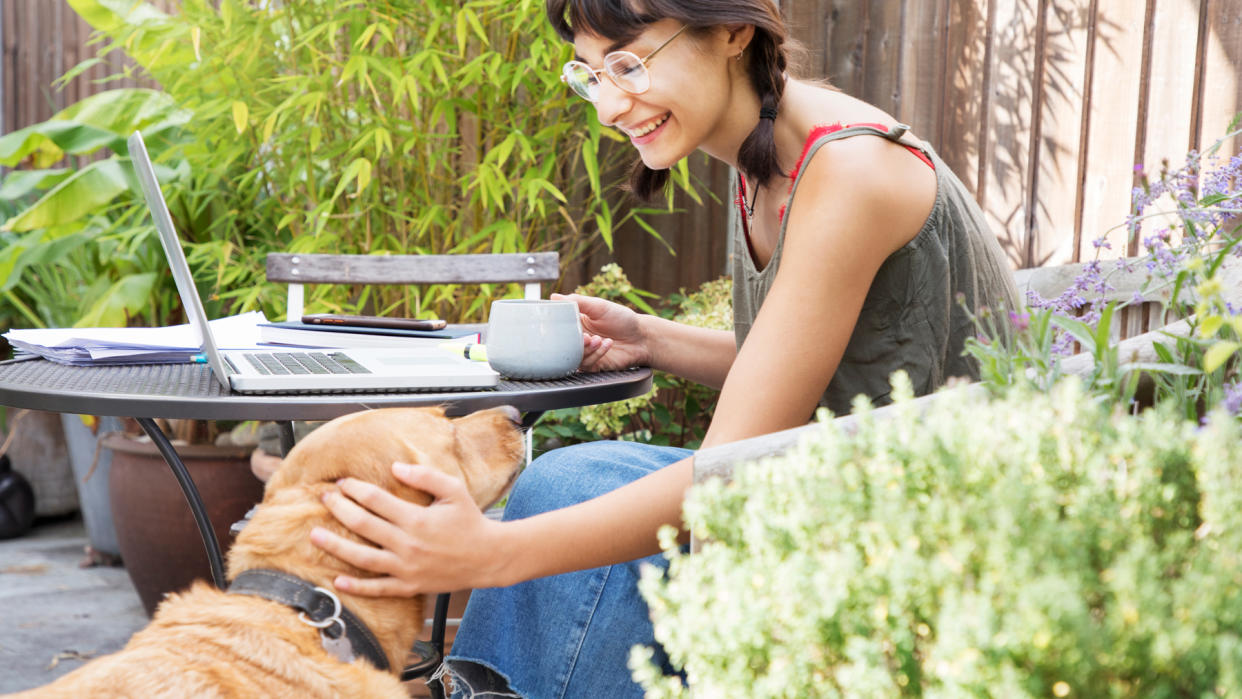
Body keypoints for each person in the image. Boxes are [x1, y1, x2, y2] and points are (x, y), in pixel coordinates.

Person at [308, 0, 1020, 696]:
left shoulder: (849, 173)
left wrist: (493, 553)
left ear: (735, 27)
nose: (610, 107)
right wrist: (648, 337)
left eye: (628, 64)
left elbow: (727, 475)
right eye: (590, 73)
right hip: (850, 470)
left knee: (581, 498)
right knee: (569, 478)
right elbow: (812, 364)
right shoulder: (775, 151)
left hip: (935, 526)